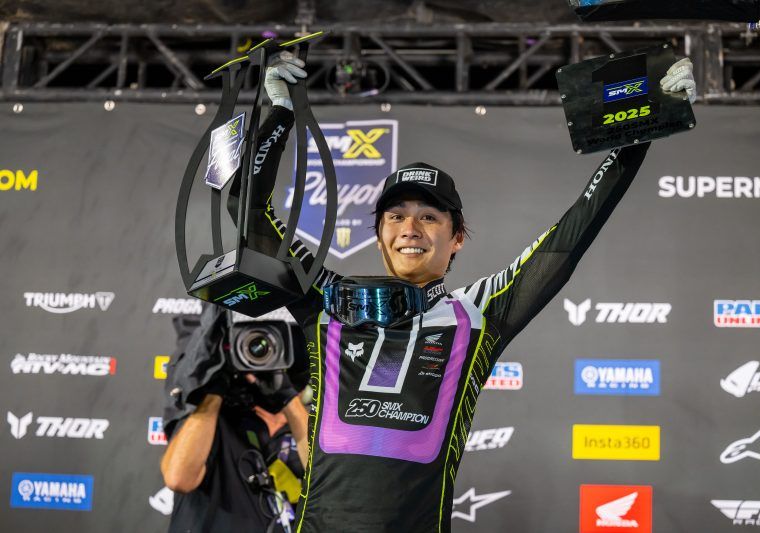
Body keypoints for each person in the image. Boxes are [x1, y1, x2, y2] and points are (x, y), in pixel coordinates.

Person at [229, 51, 697, 532]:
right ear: (379, 235)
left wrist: (647, 123)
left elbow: (572, 236)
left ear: (457, 239)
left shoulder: (479, 313)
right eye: (396, 216)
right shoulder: (328, 298)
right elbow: (247, 214)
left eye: (429, 217)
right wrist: (279, 114)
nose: (410, 228)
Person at [160, 309, 310, 533]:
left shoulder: (303, 424)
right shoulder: (211, 422)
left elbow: (329, 479)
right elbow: (178, 478)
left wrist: (287, 397)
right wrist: (215, 386)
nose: (258, 355)